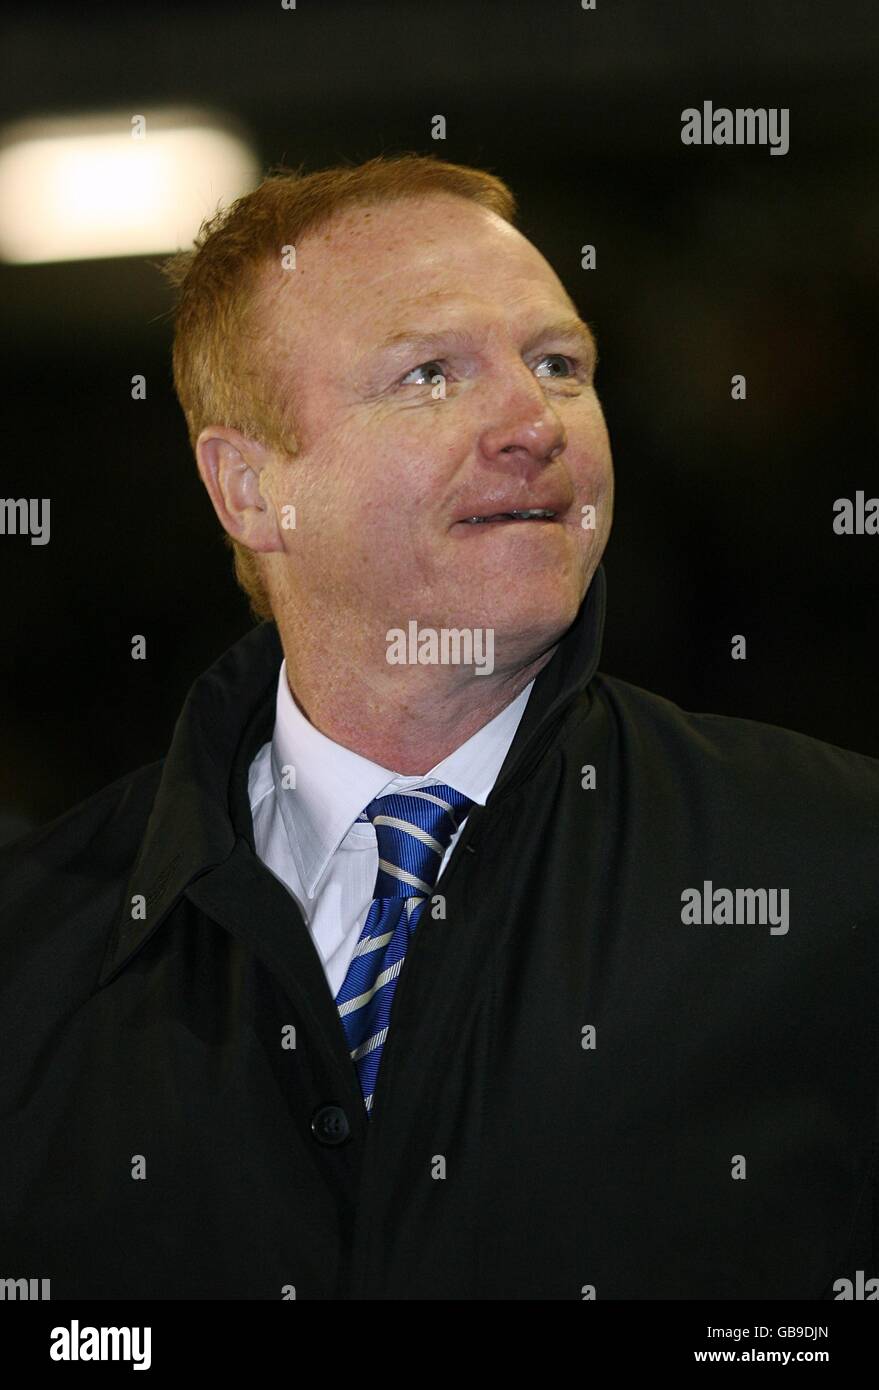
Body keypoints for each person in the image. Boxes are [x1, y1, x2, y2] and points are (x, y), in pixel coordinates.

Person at [0, 155, 876, 1301]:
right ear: (250, 489)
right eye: (427, 375)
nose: (532, 420)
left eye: (560, 364)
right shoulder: (34, 957)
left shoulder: (836, 868)